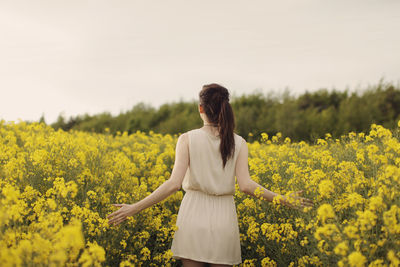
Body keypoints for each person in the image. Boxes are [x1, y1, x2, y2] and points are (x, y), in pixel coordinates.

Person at [107, 83, 314, 267]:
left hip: (192, 215)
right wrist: (284, 200)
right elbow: (247, 186)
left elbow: (172, 184)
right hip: (225, 219)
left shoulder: (187, 139)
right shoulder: (239, 142)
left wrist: (134, 208)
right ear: (226, 108)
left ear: (201, 108)